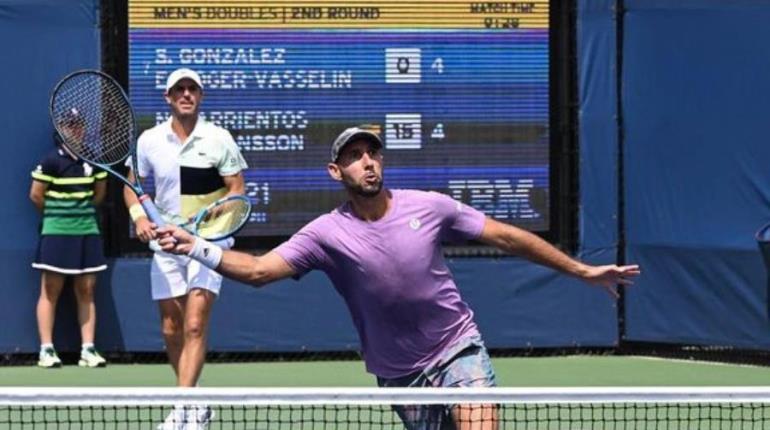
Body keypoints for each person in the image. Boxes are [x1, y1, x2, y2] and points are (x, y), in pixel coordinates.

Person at [157, 126, 641, 429]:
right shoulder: (325, 234)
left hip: (457, 349)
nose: (368, 161)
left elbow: (507, 237)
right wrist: (195, 246)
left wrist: (579, 269)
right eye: (355, 155)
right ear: (335, 170)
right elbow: (260, 271)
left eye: (373, 152)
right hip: (399, 375)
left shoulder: (428, 207)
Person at [123, 68, 247, 429]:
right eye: (180, 89)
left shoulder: (219, 138)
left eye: (193, 89)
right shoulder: (149, 140)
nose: (186, 94)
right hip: (165, 244)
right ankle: (196, 401)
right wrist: (139, 218)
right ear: (168, 97)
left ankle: (181, 408)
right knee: (170, 328)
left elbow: (236, 188)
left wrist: (213, 219)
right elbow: (131, 184)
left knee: (194, 325)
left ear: (200, 96)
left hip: (207, 243)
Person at [30, 111, 108, 369]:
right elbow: (36, 195)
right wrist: (57, 216)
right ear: (61, 128)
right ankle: (46, 350)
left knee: (86, 290)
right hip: (56, 233)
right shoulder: (51, 161)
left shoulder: (92, 160)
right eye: (69, 125)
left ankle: (88, 349)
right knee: (50, 290)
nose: (74, 129)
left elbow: (99, 195)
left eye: (78, 124)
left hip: (87, 232)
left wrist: (79, 214)